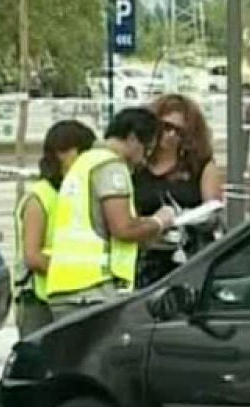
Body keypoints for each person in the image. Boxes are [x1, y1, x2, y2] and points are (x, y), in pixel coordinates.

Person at [44, 107, 175, 318]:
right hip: (92, 289)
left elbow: (97, 223)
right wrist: (160, 221)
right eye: (147, 150)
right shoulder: (111, 166)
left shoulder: (85, 162)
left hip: (67, 287)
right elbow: (122, 228)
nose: (144, 160)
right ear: (133, 138)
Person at [14, 120, 96, 337]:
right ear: (62, 153)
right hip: (39, 303)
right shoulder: (40, 197)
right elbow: (32, 255)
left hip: (71, 298)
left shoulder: (77, 193)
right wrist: (77, 271)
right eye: (82, 153)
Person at [133, 94, 224, 287]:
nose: (171, 135)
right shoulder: (137, 166)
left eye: (180, 131)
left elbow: (214, 212)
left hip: (188, 258)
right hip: (143, 258)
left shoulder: (201, 166)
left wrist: (186, 218)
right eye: (166, 127)